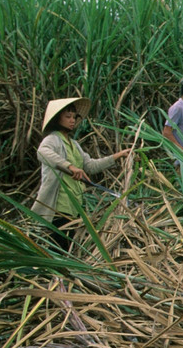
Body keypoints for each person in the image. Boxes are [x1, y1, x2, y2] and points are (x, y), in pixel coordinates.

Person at [31, 97, 131, 252]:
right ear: (58, 119)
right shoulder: (52, 140)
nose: (72, 121)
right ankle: (56, 276)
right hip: (59, 205)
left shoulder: (74, 145)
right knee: (58, 248)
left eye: (74, 117)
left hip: (74, 205)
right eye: (67, 117)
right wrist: (69, 167)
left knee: (67, 248)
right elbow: (42, 153)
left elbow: (90, 166)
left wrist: (118, 156)